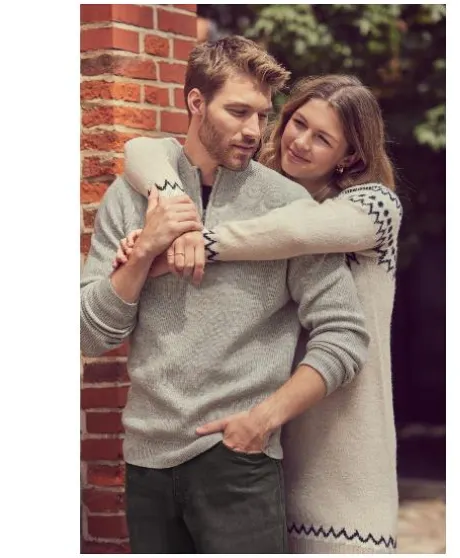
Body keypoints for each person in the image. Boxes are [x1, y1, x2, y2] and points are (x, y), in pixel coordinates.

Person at [80, 37, 370, 554]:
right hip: (146, 461)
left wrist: (262, 420)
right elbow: (89, 334)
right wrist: (144, 252)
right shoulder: (131, 196)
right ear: (196, 102)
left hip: (238, 461)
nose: (254, 131)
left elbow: (344, 334)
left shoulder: (288, 205)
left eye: (262, 115)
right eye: (238, 112)